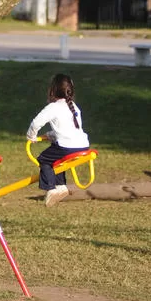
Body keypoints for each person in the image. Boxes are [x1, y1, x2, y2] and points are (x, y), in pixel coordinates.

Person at [26, 73, 90, 207]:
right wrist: (51, 135)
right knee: (58, 160)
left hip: (67, 146)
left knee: (43, 159)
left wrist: (31, 136)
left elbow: (35, 123)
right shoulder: (73, 106)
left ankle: (51, 188)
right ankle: (61, 186)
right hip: (83, 145)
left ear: (53, 90)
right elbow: (70, 129)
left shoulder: (53, 107)